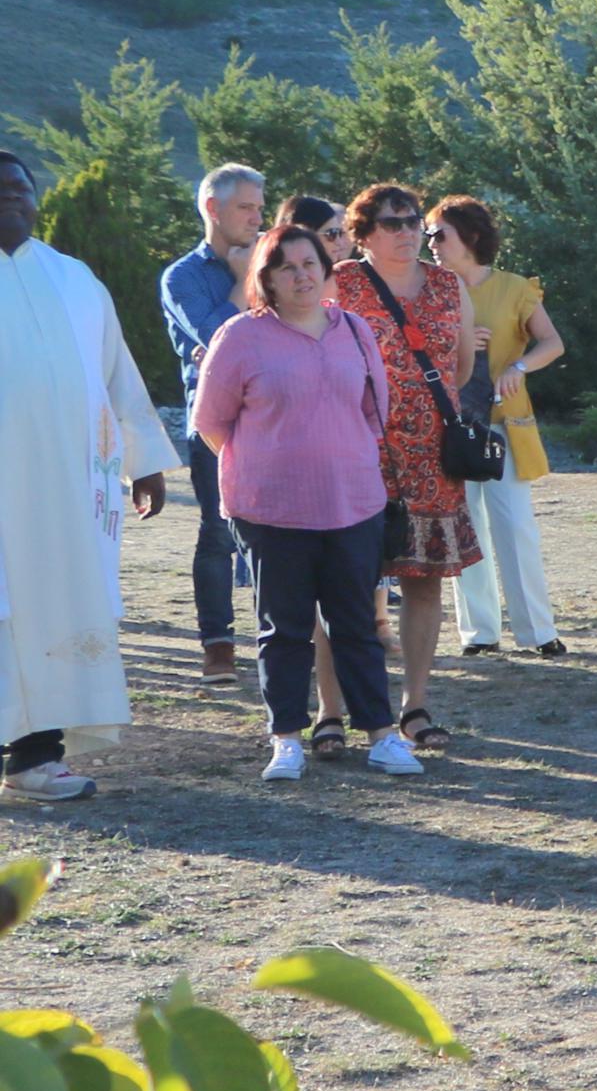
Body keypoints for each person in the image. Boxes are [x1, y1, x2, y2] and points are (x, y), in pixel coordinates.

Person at [193, 223, 407, 778]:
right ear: (266, 278)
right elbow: (212, 423)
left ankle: (382, 735)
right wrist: (269, 462)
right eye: (286, 266)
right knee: (284, 628)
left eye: (310, 262)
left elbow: (372, 410)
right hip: (271, 511)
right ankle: (286, 737)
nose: (301, 274)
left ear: (326, 268)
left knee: (356, 624)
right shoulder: (240, 337)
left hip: (353, 504)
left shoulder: (356, 331)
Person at [0, 147, 177, 801]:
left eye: (20, 188)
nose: (10, 198)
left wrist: (145, 462)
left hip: (68, 492)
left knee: (53, 605)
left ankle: (35, 756)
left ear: (36, 197)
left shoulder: (75, 278)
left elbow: (115, 377)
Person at [323, 183, 484, 754]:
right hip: (355, 452)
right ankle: (330, 712)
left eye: (415, 221)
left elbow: (461, 367)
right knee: (341, 586)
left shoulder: (448, 284)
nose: (409, 230)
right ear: (362, 232)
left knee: (424, 583)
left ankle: (415, 706)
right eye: (392, 222)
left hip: (432, 459)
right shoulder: (338, 282)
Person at [427, 196, 566, 661]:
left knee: (513, 524)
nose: (431, 243)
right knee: (465, 527)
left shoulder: (513, 288)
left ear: (469, 238)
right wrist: (458, 342)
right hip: (450, 426)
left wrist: (521, 366)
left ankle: (538, 631)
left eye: (439, 233)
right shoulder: (430, 289)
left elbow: (552, 343)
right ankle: (479, 634)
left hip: (505, 423)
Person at [160, 161, 268, 680]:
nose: (256, 218)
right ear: (212, 208)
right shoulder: (182, 275)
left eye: (259, 208)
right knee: (218, 533)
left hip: (277, 418)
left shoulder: (277, 262)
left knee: (281, 532)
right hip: (214, 423)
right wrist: (245, 279)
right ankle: (218, 646)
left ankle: (282, 640)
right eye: (246, 207)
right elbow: (219, 338)